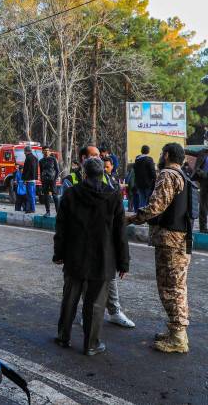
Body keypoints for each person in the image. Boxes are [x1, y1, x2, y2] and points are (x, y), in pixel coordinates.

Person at [54, 157, 129, 356]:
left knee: (69, 298)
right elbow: (120, 233)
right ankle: (91, 345)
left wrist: (58, 254)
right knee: (96, 304)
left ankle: (63, 336)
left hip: (74, 257)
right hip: (102, 260)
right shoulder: (114, 196)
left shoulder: (70, 194)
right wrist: (124, 263)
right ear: (103, 174)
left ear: (84, 174)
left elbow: (61, 227)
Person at [127, 143, 193, 353]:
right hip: (181, 239)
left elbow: (156, 207)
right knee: (177, 287)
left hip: (170, 241)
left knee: (170, 288)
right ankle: (176, 331)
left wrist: (132, 218)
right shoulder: (183, 175)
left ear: (166, 155)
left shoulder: (167, 174)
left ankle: (178, 338)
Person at [62, 145, 135, 328]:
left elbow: (117, 221)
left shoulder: (109, 181)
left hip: (103, 243)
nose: (100, 158)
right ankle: (85, 319)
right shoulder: (71, 181)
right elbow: (65, 217)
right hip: (81, 243)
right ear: (83, 158)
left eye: (100, 156)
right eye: (94, 155)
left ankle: (114, 311)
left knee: (108, 280)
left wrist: (122, 257)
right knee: (81, 283)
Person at [134, 145, 156, 211]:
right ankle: (146, 215)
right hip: (148, 183)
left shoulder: (137, 160)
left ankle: (140, 214)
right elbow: (152, 171)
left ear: (141, 151)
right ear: (148, 151)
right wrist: (155, 178)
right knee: (148, 200)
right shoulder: (149, 159)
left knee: (141, 199)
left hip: (139, 183)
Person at [39, 146, 60, 217]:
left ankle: (58, 212)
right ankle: (47, 212)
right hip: (44, 180)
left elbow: (57, 170)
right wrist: (42, 180)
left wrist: (55, 178)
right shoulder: (41, 161)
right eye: (44, 151)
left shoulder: (53, 159)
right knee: (46, 196)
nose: (46, 152)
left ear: (49, 151)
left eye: (47, 150)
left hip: (52, 180)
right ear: (42, 152)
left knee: (55, 196)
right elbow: (41, 171)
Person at [191, 148, 208, 233]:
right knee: (203, 205)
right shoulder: (203, 152)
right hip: (205, 181)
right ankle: (203, 227)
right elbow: (191, 152)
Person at [22, 146, 38, 213]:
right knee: (32, 195)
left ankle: (32, 209)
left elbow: (28, 169)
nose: (24, 153)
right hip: (33, 179)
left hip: (29, 180)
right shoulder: (35, 158)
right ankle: (29, 209)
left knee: (30, 195)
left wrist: (25, 179)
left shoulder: (28, 158)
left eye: (24, 151)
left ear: (26, 151)